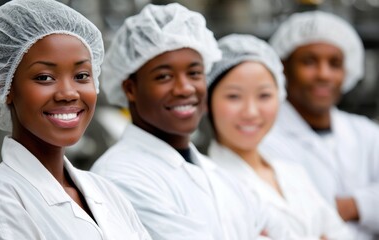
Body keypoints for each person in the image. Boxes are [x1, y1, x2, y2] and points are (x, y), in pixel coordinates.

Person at [91, 3, 292, 240]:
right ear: (130, 88)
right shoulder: (120, 177)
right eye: (164, 76)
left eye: (195, 73)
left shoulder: (221, 177)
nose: (185, 88)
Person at [0, 0, 152, 239]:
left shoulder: (106, 192)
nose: (69, 93)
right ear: (4, 86)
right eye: (45, 77)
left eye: (82, 75)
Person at [207, 33, 354, 240]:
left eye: (264, 95)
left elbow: (341, 234)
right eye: (234, 96)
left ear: (280, 97)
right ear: (207, 101)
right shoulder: (207, 183)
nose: (251, 112)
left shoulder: (293, 172)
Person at [260, 11, 379, 239]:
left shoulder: (367, 133)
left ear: (347, 71)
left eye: (334, 63)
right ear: (284, 68)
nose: (324, 74)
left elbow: (315, 215)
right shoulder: (264, 140)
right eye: (309, 62)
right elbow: (289, 221)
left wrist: (352, 205)